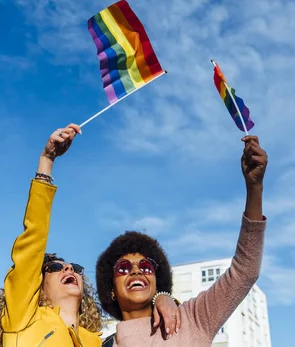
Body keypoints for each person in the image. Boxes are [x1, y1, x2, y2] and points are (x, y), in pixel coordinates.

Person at [0, 124, 181, 347]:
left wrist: (164, 297)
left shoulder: (102, 343)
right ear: (38, 286)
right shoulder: (24, 319)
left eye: (75, 268)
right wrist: (47, 161)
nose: (69, 269)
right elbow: (33, 240)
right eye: (54, 267)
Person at [96, 135, 268, 347]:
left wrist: (254, 188)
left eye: (146, 266)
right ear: (110, 288)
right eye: (123, 268)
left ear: (158, 281)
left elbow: (245, 271)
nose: (136, 271)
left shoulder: (194, 318)